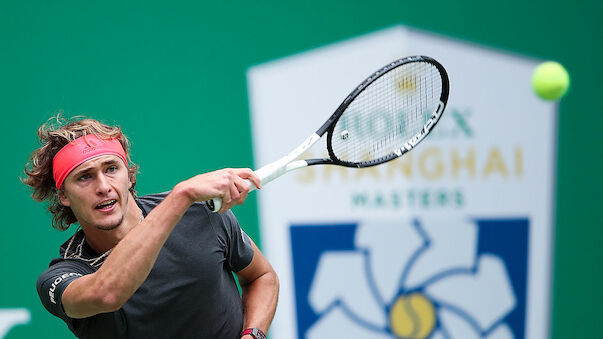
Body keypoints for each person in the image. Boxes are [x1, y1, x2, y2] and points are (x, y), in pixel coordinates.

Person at [23, 115, 279, 339]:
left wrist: (253, 334)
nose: (103, 186)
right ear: (64, 196)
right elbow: (107, 294)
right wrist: (182, 196)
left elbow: (262, 277)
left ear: (129, 176)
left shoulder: (202, 212)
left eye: (111, 169)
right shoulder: (60, 278)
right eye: (85, 177)